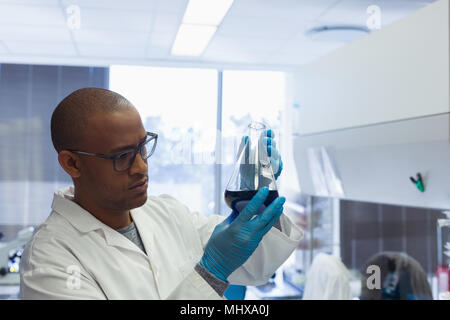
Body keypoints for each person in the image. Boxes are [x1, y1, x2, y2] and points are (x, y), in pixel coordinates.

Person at [19, 87, 303, 299]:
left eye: (142, 147)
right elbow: (216, 268)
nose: (141, 167)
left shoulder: (168, 212)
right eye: (122, 156)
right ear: (73, 163)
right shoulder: (50, 260)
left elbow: (254, 267)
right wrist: (210, 273)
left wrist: (258, 199)